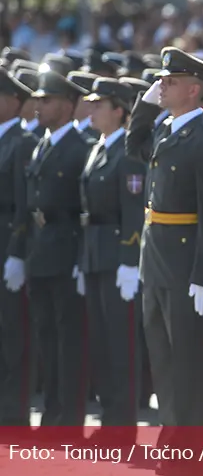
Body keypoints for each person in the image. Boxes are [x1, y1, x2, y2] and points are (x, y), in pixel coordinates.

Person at [126, 47, 203, 476]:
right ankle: (171, 443)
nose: (162, 85)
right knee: (162, 357)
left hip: (184, 263)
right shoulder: (165, 128)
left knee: (187, 360)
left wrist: (202, 273)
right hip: (156, 257)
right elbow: (134, 145)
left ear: (195, 90)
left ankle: (191, 452)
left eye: (171, 81)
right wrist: (144, 106)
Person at [21, 70, 92, 442]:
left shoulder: (80, 148)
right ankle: (52, 416)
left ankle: (68, 420)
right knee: (47, 339)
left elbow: (84, 209)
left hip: (66, 252)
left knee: (69, 342)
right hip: (42, 252)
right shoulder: (42, 144)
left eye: (46, 100)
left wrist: (82, 258)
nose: (38, 105)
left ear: (67, 105)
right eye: (37, 99)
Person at [77, 77, 144, 448]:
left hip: (117, 256)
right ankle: (108, 422)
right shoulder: (99, 147)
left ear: (119, 110)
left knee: (121, 346)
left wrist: (129, 260)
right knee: (101, 344)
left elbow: (133, 211)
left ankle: (124, 428)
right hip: (94, 254)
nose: (92, 109)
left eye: (100, 104)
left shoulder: (128, 152)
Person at [0, 70, 38, 434]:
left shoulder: (21, 142)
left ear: (14, 101)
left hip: (7, 243)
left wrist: (16, 252)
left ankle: (13, 414)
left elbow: (24, 206)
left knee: (12, 334)